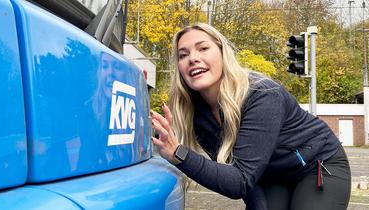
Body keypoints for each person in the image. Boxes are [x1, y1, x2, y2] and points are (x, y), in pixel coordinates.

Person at [150, 23, 351, 210]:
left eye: (203, 48)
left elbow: (239, 181)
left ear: (222, 53)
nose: (192, 58)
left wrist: (179, 153)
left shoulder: (262, 93)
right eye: (183, 55)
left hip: (317, 165)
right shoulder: (196, 115)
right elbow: (240, 179)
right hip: (270, 176)